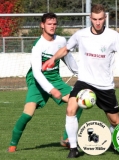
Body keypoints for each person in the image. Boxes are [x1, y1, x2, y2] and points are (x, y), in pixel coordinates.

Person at [42, 4, 119, 158]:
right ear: (90, 18)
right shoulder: (81, 35)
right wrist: (52, 59)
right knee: (70, 109)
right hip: (85, 81)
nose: (98, 22)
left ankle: (114, 142)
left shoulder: (113, 36)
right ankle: (73, 148)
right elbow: (65, 49)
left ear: (105, 18)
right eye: (95, 19)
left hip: (105, 85)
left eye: (100, 19)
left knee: (115, 122)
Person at [8, 13, 83, 152]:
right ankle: (12, 145)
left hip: (55, 79)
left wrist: (81, 75)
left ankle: (67, 138)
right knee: (28, 114)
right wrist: (51, 90)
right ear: (42, 25)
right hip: (36, 81)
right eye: (49, 24)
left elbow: (69, 59)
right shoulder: (38, 45)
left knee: (78, 101)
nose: (52, 26)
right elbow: (37, 72)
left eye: (54, 24)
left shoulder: (61, 41)